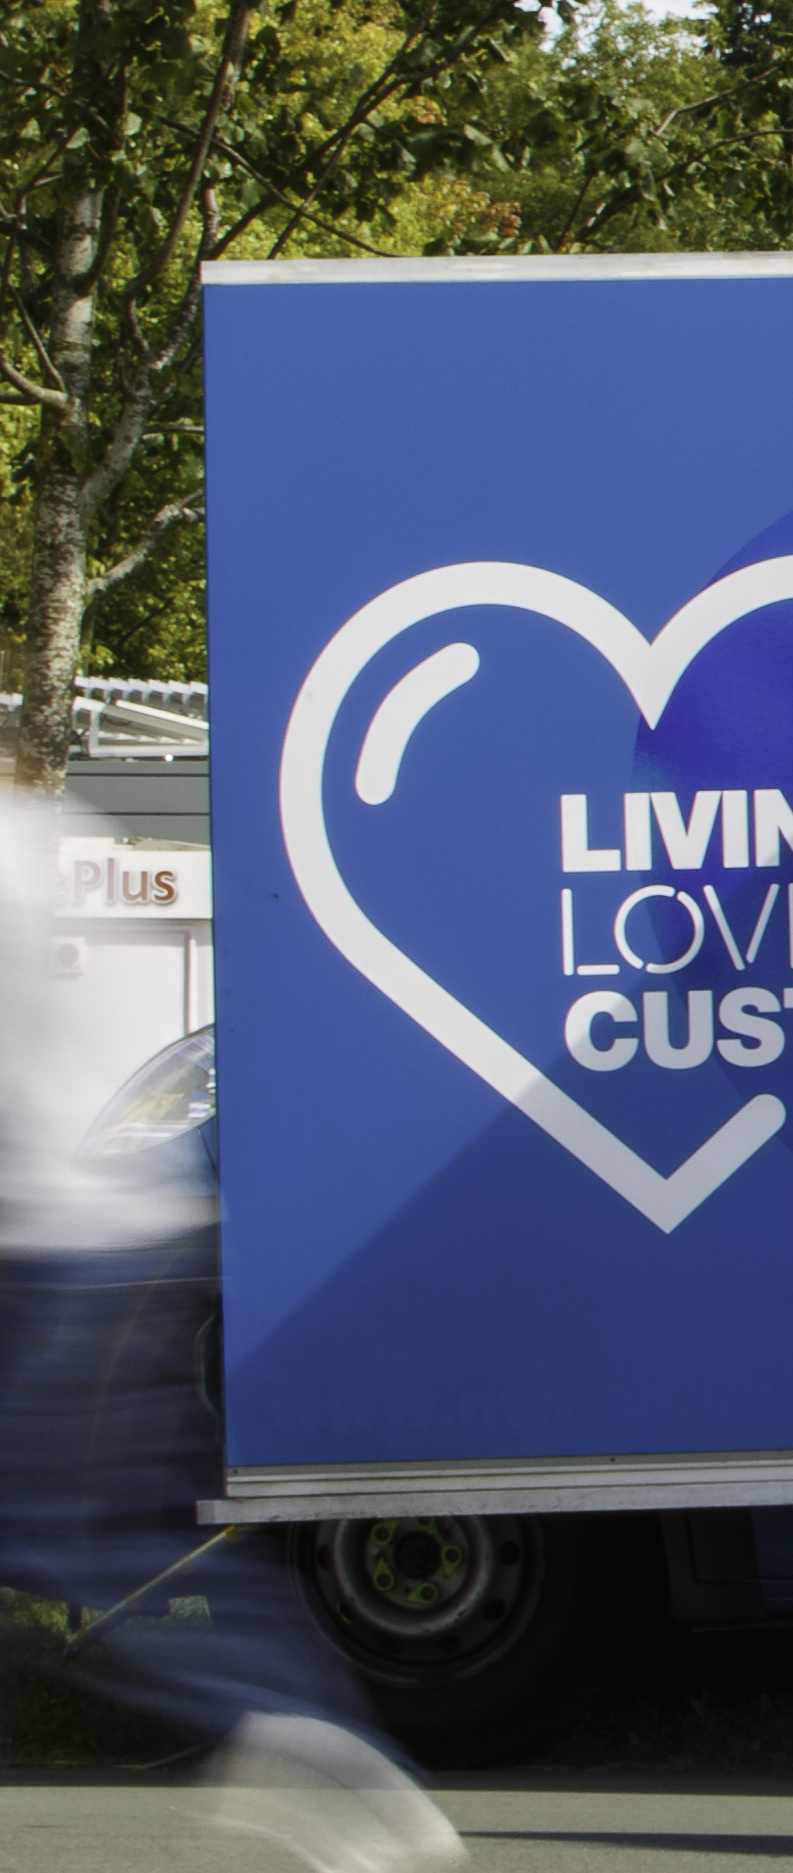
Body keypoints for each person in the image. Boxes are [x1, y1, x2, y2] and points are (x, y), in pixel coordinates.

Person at [0, 785, 463, 1873]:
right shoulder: (30, 835)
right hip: (102, 1231)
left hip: (49, 1248)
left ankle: (321, 1757)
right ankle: (324, 1756)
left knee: (94, 1544)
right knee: (96, 1537)